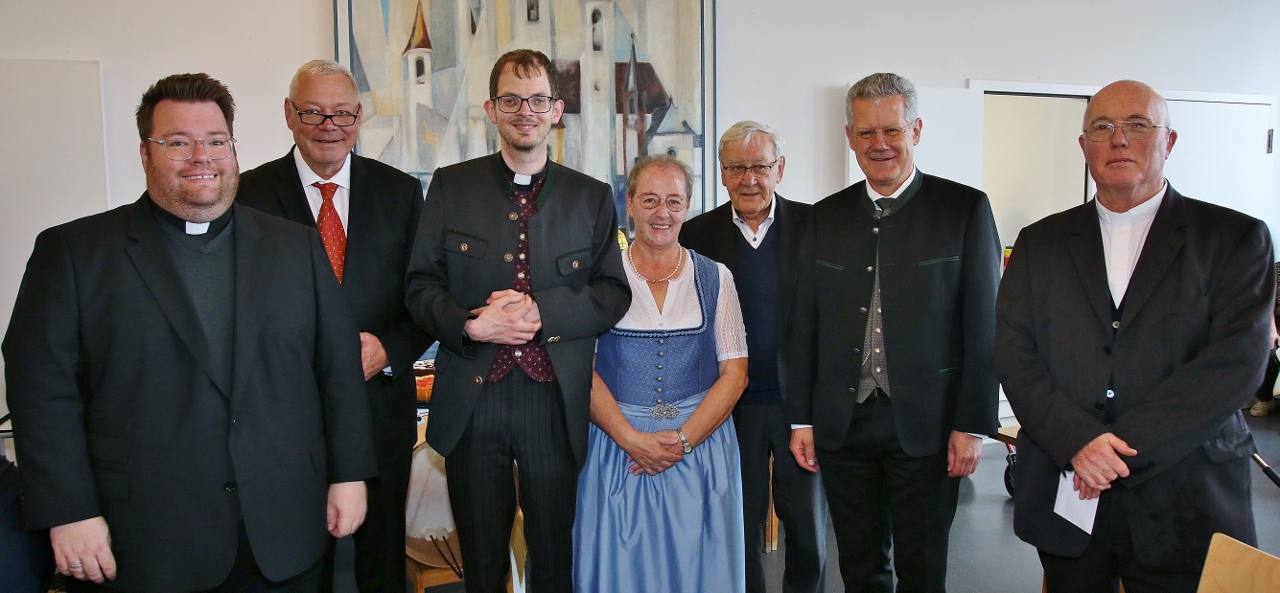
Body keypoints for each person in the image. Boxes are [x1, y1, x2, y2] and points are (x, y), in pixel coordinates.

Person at [3, 73, 377, 593]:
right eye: (178, 142)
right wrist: (69, 512)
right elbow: (42, 392)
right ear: (145, 153)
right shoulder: (73, 253)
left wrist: (349, 474)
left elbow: (337, 368)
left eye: (217, 141)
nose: (203, 157)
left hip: (285, 527)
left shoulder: (296, 247)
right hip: (142, 539)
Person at [996, 79, 1273, 593]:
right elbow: (1015, 354)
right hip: (1068, 489)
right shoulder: (1040, 243)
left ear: (1169, 141)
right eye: (1102, 127)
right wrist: (1078, 442)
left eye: (1138, 125)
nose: (1119, 138)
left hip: (1185, 494)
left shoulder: (1233, 238)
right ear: (1084, 146)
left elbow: (1236, 364)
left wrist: (1114, 454)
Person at [404, 49, 630, 592]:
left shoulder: (591, 197)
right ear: (491, 109)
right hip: (473, 399)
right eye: (511, 100)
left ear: (556, 110)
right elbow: (419, 287)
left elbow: (612, 292)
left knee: (553, 559)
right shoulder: (451, 187)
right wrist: (469, 325)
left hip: (553, 402)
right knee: (481, 564)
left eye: (537, 100)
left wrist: (543, 311)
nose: (524, 111)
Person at [787, 72, 1001, 592]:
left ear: (916, 130)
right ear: (850, 137)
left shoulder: (964, 209)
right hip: (843, 426)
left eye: (892, 130)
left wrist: (972, 424)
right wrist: (801, 419)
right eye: (866, 132)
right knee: (860, 568)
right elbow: (805, 324)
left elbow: (985, 327)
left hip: (930, 428)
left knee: (922, 569)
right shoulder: (825, 217)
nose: (879, 143)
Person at [236, 59, 433, 593]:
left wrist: (388, 349)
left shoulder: (399, 193)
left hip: (379, 416)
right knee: (296, 566)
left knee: (381, 568)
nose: (329, 126)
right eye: (313, 112)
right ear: (289, 114)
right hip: (285, 422)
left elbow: (424, 297)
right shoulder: (247, 195)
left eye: (342, 113)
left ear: (358, 116)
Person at [574, 154, 749, 592]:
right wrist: (631, 439)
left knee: (697, 570)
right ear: (630, 203)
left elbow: (735, 373)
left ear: (687, 206)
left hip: (699, 449)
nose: (662, 212)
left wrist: (684, 440)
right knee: (623, 571)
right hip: (618, 446)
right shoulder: (598, 280)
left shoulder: (716, 277)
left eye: (674, 201)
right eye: (650, 200)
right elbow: (582, 372)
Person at [680, 121, 828, 593]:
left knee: (807, 530)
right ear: (722, 173)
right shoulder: (695, 235)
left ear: (779, 169)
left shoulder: (816, 227)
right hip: (728, 406)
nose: (749, 179)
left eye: (760, 167)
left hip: (799, 407)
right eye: (736, 168)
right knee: (736, 527)